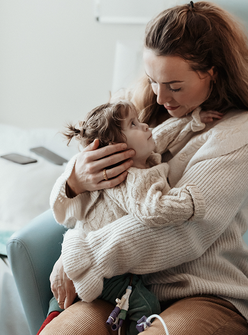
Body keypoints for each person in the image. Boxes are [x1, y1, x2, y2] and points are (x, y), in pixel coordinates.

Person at [44, 1, 248, 335]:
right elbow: (77, 212)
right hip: (116, 287)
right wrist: (74, 181)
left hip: (203, 292)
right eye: (153, 80)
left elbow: (182, 230)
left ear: (213, 72)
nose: (161, 95)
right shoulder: (138, 115)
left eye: (175, 86)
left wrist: (84, 255)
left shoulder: (245, 131)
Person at [40, 100, 221, 334]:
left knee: (60, 305)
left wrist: (192, 121)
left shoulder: (136, 156)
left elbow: (160, 133)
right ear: (115, 148)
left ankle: (53, 314)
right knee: (147, 304)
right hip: (106, 273)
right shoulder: (133, 179)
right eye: (135, 124)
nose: (146, 127)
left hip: (89, 256)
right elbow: (153, 210)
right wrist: (188, 202)